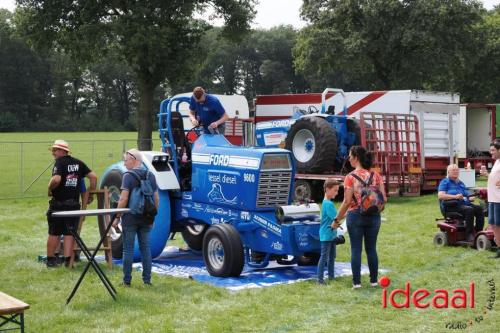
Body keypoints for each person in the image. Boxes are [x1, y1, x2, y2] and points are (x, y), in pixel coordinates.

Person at [333, 146, 386, 289]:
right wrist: (375, 210)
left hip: (355, 216)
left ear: (356, 157)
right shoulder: (376, 176)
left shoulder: (350, 177)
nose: (348, 159)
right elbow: (384, 199)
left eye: (350, 156)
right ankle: (374, 281)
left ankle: (357, 283)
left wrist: (336, 220)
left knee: (356, 249)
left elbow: (346, 202)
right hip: (374, 217)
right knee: (371, 249)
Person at [46, 140, 97, 268]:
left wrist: (49, 187)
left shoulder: (60, 162)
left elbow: (56, 179)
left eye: (55, 150)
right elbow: (93, 177)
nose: (53, 153)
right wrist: (92, 192)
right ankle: (69, 261)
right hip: (74, 205)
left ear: (62, 151)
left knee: (54, 232)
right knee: (70, 233)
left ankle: (51, 260)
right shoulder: (78, 163)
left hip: (59, 205)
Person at [112, 149, 159, 286]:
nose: (124, 163)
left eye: (126, 160)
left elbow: (123, 199)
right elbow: (156, 199)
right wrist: (153, 216)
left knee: (128, 249)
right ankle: (147, 280)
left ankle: (126, 281)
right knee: (146, 248)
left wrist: (117, 217)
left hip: (130, 218)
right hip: (147, 217)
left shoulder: (128, 176)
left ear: (135, 160)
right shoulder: (151, 175)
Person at [438, 164, 484, 242]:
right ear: (448, 172)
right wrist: (455, 197)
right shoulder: (445, 182)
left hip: (463, 204)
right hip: (451, 206)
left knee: (479, 208)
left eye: (457, 170)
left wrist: (470, 198)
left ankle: (478, 231)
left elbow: (466, 195)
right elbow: (440, 196)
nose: (456, 171)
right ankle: (468, 234)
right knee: (469, 210)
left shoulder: (461, 183)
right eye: (453, 170)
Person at [317, 179, 340, 284]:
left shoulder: (326, 202)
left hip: (331, 234)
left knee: (332, 256)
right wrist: (348, 212)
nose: (337, 193)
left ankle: (331, 276)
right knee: (324, 257)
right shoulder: (328, 204)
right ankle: (320, 280)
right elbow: (337, 217)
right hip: (327, 235)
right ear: (327, 189)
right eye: (335, 190)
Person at [480, 139, 500, 258]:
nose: (490, 152)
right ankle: (499, 248)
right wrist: (487, 175)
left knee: (498, 224)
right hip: (492, 198)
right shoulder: (496, 162)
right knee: (493, 224)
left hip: (499, 199)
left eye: (493, 150)